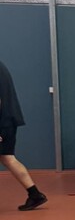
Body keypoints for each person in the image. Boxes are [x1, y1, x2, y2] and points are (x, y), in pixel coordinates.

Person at [0, 60, 48, 211]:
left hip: (3, 121)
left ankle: (35, 194)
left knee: (8, 158)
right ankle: (35, 194)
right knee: (7, 158)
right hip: (8, 119)